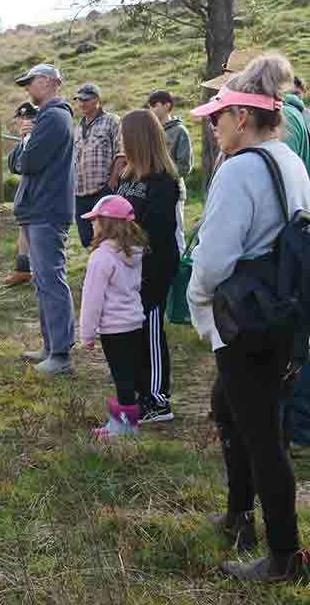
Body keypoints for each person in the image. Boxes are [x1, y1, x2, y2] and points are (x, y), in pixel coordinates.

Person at [189, 53, 310, 582]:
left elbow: (213, 260)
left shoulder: (239, 170)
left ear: (243, 116)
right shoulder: (289, 159)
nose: (212, 124)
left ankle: (284, 555)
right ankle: (239, 515)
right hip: (283, 315)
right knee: (230, 407)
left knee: (263, 436)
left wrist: (198, 305)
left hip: (245, 320)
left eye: (218, 115)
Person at [115, 110, 181, 424]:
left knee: (151, 330)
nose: (120, 140)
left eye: (124, 135)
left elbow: (159, 229)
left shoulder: (163, 181)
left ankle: (157, 400)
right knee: (133, 333)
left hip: (152, 269)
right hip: (127, 268)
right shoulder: (127, 175)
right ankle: (140, 393)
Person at [13, 63, 76, 376]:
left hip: (46, 208)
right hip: (39, 207)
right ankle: (50, 346)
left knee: (50, 278)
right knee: (43, 279)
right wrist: (25, 140)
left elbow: (30, 161)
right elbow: (17, 162)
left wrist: (27, 143)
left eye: (32, 81)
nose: (28, 88)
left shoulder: (54, 116)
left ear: (52, 82)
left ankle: (61, 354)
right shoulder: (45, 118)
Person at [78, 195, 147, 439]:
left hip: (113, 329)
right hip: (135, 324)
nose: (92, 224)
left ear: (106, 224)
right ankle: (122, 423)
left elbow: (92, 298)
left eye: (95, 220)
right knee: (128, 374)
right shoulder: (135, 252)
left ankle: (125, 427)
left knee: (121, 377)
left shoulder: (101, 257)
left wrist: (87, 333)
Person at [72, 83, 121, 248]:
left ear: (97, 100)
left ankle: (109, 270)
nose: (82, 104)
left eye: (86, 99)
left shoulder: (112, 121)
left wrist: (113, 181)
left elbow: (121, 153)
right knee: (87, 239)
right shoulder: (77, 128)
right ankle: (96, 268)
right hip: (80, 192)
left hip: (103, 189)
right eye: (79, 100)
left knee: (107, 237)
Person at [146, 90, 193, 255]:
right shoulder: (150, 131)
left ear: (167, 105)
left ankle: (181, 274)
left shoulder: (180, 131)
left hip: (173, 191)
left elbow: (185, 166)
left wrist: (164, 178)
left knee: (176, 234)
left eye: (154, 105)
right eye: (149, 106)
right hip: (151, 192)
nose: (151, 109)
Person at [6, 102, 37, 286]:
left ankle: (37, 271)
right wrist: (24, 139)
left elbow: (20, 165)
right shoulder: (26, 137)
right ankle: (23, 269)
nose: (24, 122)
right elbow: (13, 165)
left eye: (28, 118)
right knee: (24, 226)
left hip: (41, 189)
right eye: (22, 118)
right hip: (27, 188)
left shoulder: (41, 134)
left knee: (37, 228)